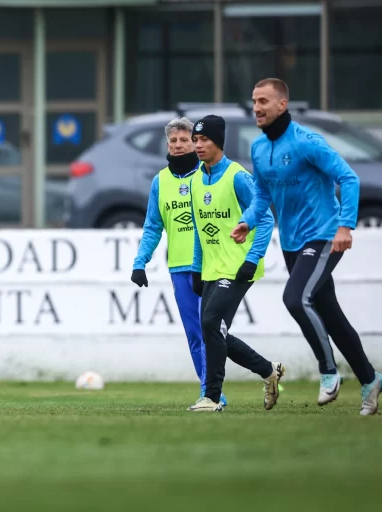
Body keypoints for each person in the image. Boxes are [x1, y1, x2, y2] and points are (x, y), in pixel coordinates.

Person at [232, 78, 382, 416]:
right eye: (254, 101)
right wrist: (248, 221)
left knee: (295, 298)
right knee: (330, 314)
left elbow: (349, 178)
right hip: (291, 243)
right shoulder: (258, 147)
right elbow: (262, 196)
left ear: (282, 105)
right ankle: (371, 380)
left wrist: (345, 225)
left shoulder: (306, 142)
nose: (256, 107)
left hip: (324, 235)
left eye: (263, 101)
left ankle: (328, 371)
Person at [187, 114, 284, 412]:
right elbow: (200, 231)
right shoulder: (194, 181)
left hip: (239, 266)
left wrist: (252, 259)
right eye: (196, 140)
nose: (199, 145)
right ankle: (268, 371)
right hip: (212, 268)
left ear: (219, 142)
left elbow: (266, 218)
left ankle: (212, 397)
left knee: (210, 323)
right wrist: (196, 268)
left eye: (205, 140)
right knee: (214, 332)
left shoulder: (238, 177)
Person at [131, 117, 227, 406]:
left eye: (184, 140)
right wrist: (140, 262)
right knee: (195, 335)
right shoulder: (160, 181)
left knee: (212, 330)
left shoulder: (207, 174)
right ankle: (211, 394)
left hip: (210, 266)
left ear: (194, 142)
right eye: (173, 141)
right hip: (179, 268)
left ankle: (257, 371)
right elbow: (152, 226)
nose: (178, 145)